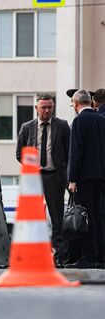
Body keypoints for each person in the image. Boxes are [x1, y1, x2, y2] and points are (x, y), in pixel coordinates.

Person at [15, 93, 70, 265]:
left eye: (50, 107)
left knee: (57, 219)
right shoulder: (27, 127)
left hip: (55, 178)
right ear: (36, 108)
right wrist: (32, 166)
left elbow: (69, 153)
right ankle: (33, 257)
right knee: (33, 220)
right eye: (44, 107)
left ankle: (60, 257)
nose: (47, 110)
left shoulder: (62, 126)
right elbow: (19, 153)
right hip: (34, 180)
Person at [66, 89, 105, 268]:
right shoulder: (101, 119)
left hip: (85, 177)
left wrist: (72, 179)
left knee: (86, 216)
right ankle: (99, 255)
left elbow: (76, 152)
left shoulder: (79, 121)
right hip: (101, 176)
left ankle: (88, 257)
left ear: (75, 103)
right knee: (98, 215)